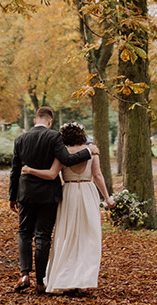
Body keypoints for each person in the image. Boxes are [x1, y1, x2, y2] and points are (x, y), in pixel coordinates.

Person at [21, 122, 115, 295]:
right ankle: (83, 281)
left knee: (67, 236)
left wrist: (29, 170)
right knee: (88, 237)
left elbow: (51, 175)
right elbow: (97, 176)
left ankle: (66, 279)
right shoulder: (92, 152)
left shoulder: (61, 153)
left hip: (69, 193)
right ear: (82, 135)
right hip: (87, 192)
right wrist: (107, 197)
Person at [8, 106, 94, 294]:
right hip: (48, 195)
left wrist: (12, 196)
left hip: (26, 194)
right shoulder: (54, 137)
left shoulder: (20, 139)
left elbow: (15, 170)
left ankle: (24, 274)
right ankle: (40, 281)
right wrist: (88, 152)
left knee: (24, 232)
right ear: (50, 121)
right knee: (43, 235)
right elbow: (67, 160)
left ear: (34, 120)